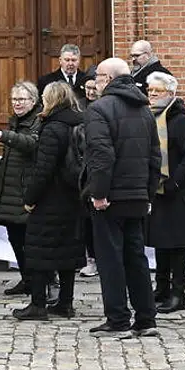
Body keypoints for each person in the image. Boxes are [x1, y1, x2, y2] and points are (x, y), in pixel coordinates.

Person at [83, 57, 160, 338]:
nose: (96, 82)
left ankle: (117, 320)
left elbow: (101, 156)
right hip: (137, 196)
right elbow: (155, 157)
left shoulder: (99, 109)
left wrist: (99, 193)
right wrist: (148, 194)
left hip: (111, 197)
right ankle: (146, 318)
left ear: (109, 79)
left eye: (99, 77)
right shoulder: (144, 110)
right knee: (136, 257)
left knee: (110, 259)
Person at [12, 81, 86, 320]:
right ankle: (65, 302)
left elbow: (43, 169)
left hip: (51, 198)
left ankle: (38, 304)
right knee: (67, 253)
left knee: (39, 252)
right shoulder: (79, 122)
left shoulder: (53, 128)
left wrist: (30, 198)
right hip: (73, 196)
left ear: (52, 100)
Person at [145, 72, 185, 314]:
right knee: (160, 242)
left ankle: (178, 294)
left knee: (176, 244)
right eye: (149, 91)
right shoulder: (150, 118)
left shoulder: (179, 121)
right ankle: (162, 288)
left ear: (170, 94)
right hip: (156, 190)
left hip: (175, 191)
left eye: (157, 91)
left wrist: (175, 182)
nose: (152, 95)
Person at [0, 80, 43, 295]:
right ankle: (27, 279)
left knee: (31, 241)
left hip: (26, 190)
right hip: (11, 191)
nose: (17, 103)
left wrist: (6, 136)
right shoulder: (15, 121)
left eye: (21, 99)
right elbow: (8, 159)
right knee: (15, 238)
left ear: (33, 100)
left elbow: (31, 144)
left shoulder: (38, 121)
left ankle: (42, 282)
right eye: (14, 99)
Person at [78, 63, 101, 280]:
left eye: (94, 88)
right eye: (87, 88)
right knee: (85, 219)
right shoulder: (79, 107)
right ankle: (90, 258)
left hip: (97, 167)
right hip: (81, 169)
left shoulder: (105, 107)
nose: (91, 92)